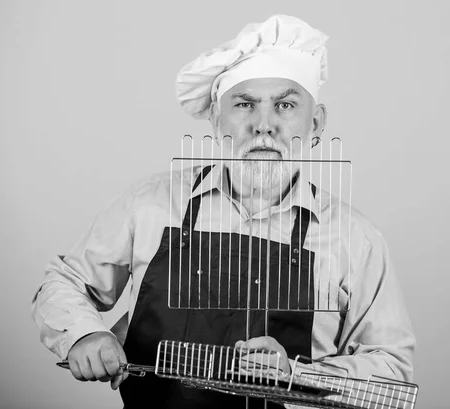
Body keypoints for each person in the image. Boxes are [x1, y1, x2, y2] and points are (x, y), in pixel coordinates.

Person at [31, 15, 415, 409]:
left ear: (315, 123)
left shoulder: (356, 239)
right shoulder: (150, 203)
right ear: (217, 120)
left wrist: (295, 377)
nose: (263, 126)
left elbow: (392, 368)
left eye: (285, 105)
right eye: (244, 105)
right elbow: (65, 281)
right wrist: (83, 334)